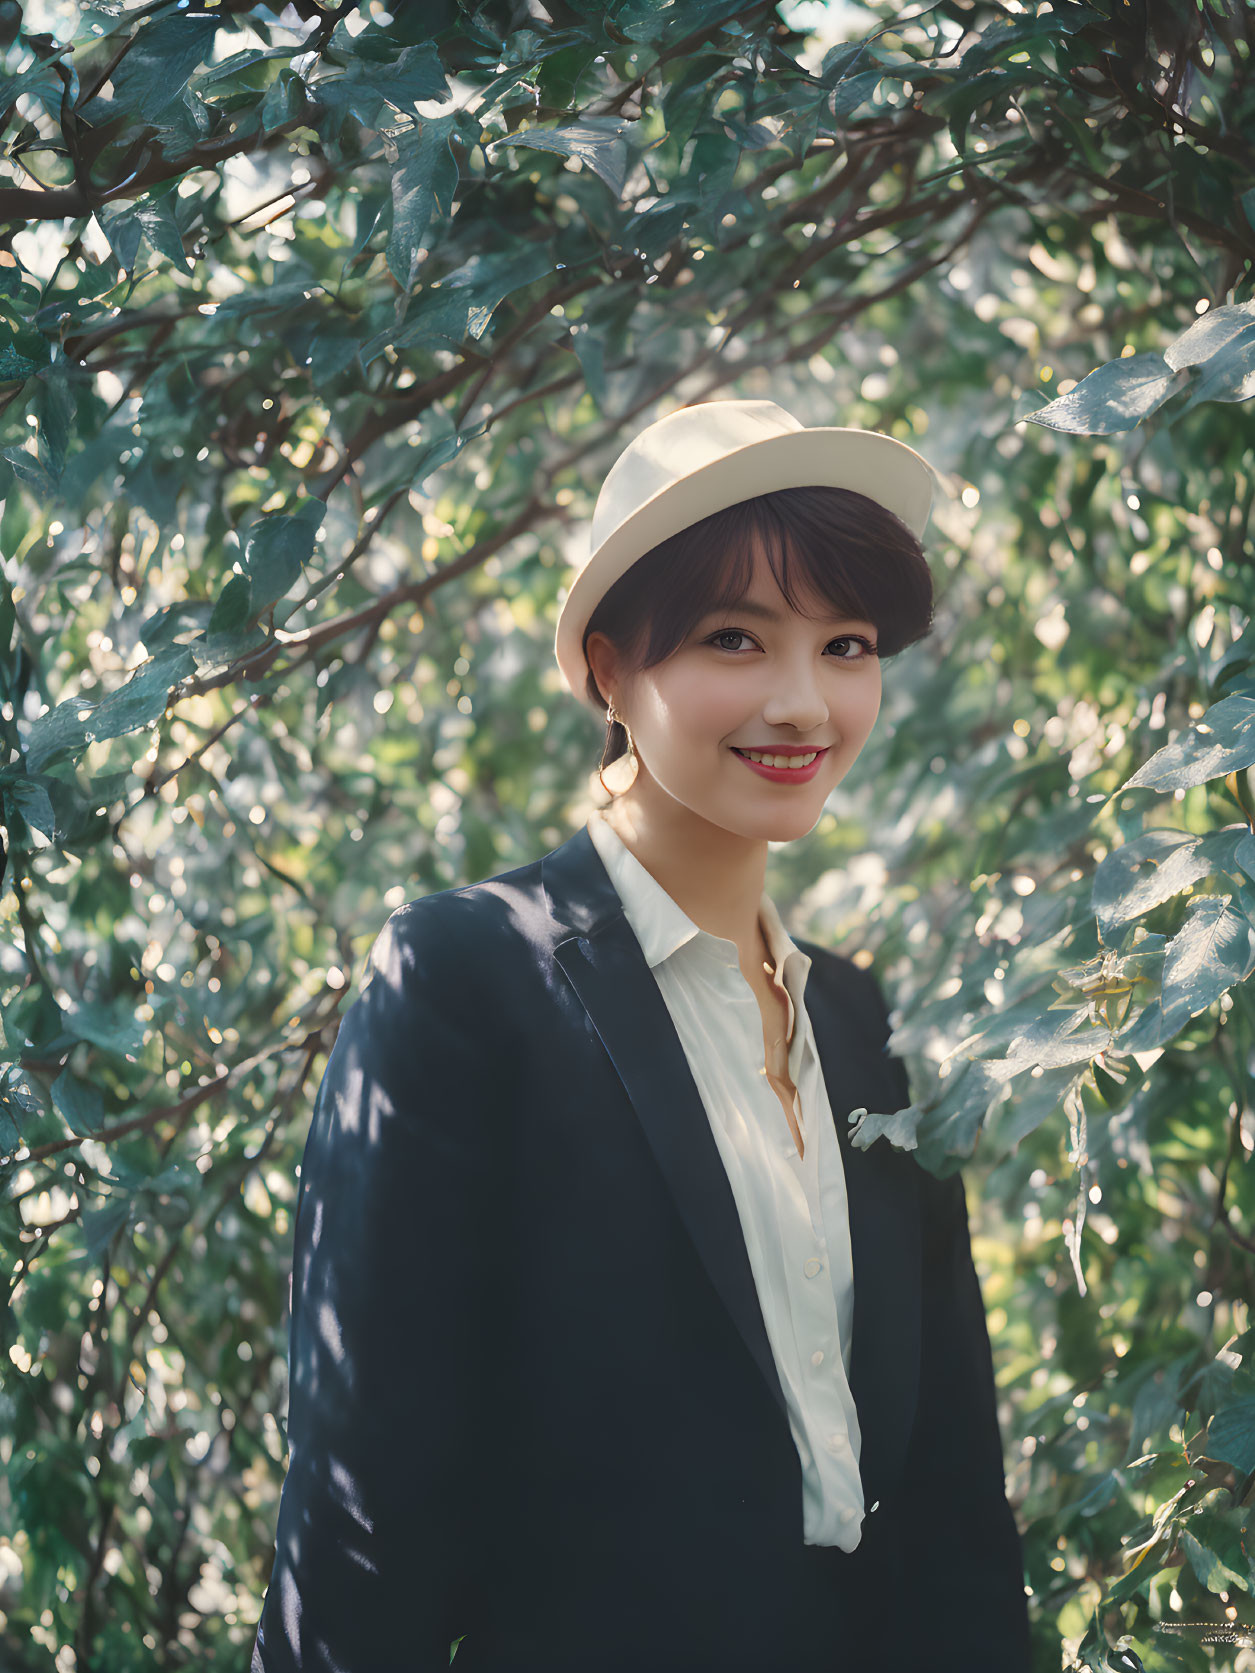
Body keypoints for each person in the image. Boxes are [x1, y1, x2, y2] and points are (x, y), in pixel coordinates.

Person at [250, 398, 1032, 1673]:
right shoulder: (468, 978)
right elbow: (360, 1508)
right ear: (610, 667)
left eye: (846, 643)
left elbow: (952, 1495)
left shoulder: (858, 1020)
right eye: (736, 637)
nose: (803, 702)